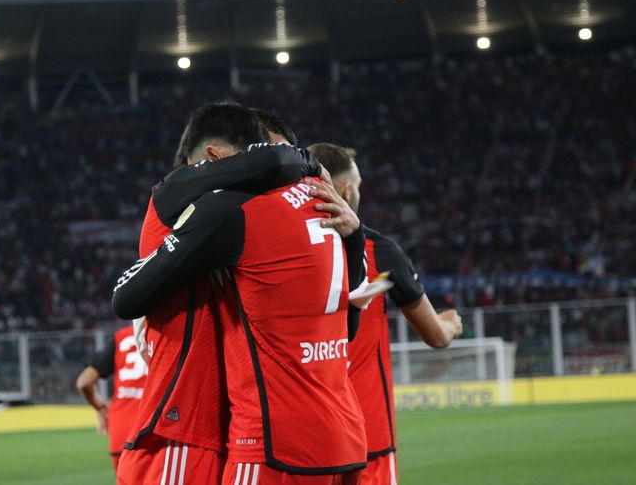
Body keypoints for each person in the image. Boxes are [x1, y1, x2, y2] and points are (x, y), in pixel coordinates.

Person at [113, 112, 371, 483]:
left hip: (247, 435)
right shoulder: (319, 208)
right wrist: (314, 172)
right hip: (336, 433)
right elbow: (348, 325)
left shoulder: (238, 214)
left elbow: (124, 298)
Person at [308, 142, 463, 485]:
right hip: (367, 439)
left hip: (300, 440)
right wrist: (450, 324)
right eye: (358, 185)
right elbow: (435, 336)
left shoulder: (274, 248)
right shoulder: (379, 254)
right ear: (347, 191)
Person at [76, 324, 148, 470]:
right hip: (152, 430)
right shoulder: (166, 332)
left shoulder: (121, 337)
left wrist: (100, 407)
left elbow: (84, 382)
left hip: (120, 431)